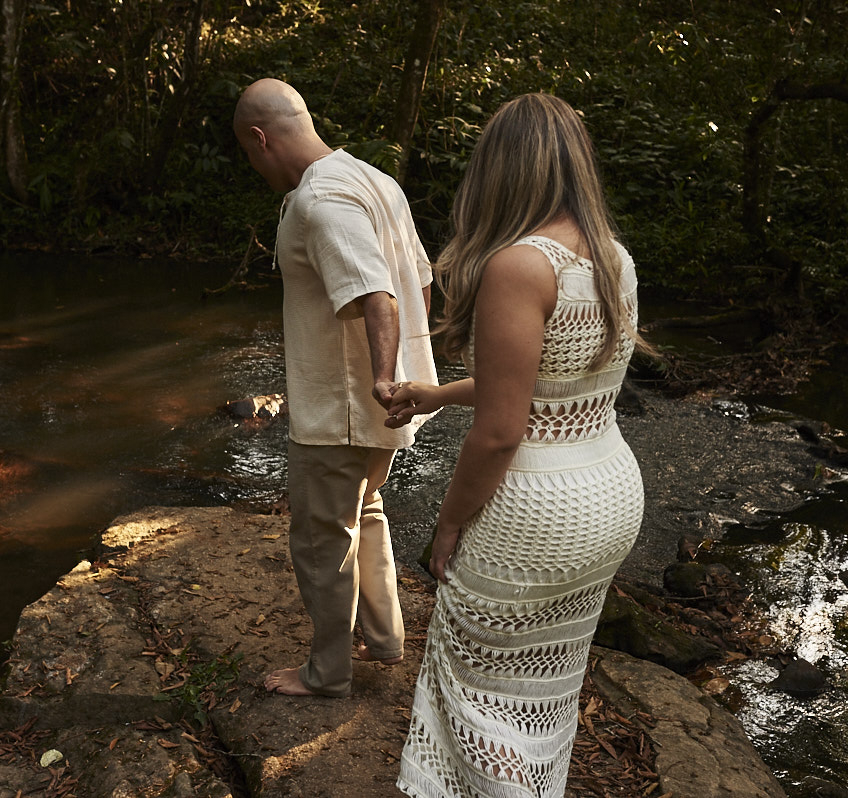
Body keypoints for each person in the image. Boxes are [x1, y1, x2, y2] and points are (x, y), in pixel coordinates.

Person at [388, 93, 645, 796]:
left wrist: (448, 523)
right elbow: (551, 384)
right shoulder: (613, 258)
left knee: (476, 690)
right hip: (610, 495)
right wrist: (440, 394)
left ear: (498, 169)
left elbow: (503, 431)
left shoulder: (519, 264)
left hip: (538, 515)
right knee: (542, 694)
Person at [233, 78, 438, 698]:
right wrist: (410, 368)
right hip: (394, 400)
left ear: (260, 138)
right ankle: (385, 640)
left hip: (346, 405)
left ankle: (327, 673)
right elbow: (420, 282)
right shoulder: (375, 179)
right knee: (365, 509)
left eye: (248, 152)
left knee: (323, 539)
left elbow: (376, 290)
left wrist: (380, 376)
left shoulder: (319, 200)